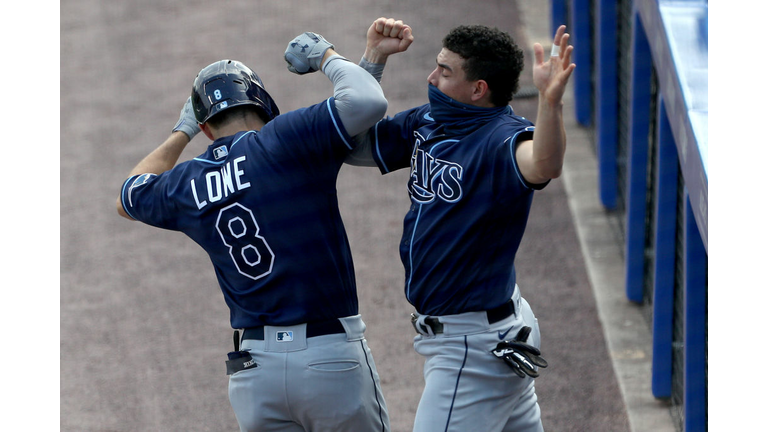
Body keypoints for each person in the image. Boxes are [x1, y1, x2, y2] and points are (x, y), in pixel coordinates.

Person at [115, 30, 410, 431]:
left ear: (204, 128)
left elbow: (127, 195)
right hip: (329, 359)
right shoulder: (286, 140)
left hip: (254, 374)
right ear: (262, 103)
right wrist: (326, 56)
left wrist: (180, 130)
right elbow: (365, 103)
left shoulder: (184, 184)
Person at [354, 18, 575, 431]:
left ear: (478, 89)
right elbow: (352, 143)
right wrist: (373, 60)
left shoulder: (501, 138)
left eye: (445, 71)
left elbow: (543, 164)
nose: (431, 76)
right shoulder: (429, 122)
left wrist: (550, 102)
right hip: (488, 332)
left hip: (472, 347)